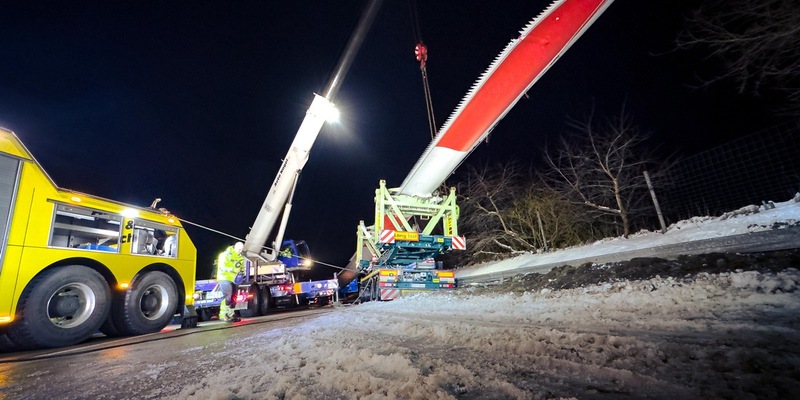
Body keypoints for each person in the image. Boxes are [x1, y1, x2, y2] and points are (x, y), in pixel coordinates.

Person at [217, 241, 245, 322]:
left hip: (235, 279)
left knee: (234, 297)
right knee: (227, 296)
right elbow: (222, 267)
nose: (240, 251)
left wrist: (241, 273)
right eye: (239, 249)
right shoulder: (225, 255)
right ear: (235, 247)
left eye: (241, 250)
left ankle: (230, 315)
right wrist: (233, 270)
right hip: (224, 278)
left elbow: (241, 268)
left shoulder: (240, 257)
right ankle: (223, 315)